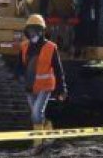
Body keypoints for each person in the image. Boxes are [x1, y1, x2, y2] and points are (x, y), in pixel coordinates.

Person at [16, 14, 68, 145]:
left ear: (41, 31)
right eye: (30, 30)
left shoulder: (51, 47)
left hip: (45, 87)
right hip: (29, 87)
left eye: (35, 30)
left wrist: (62, 88)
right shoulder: (24, 46)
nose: (32, 33)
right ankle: (47, 126)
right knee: (36, 114)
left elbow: (58, 69)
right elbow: (20, 66)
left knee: (36, 114)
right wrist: (18, 76)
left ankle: (38, 143)